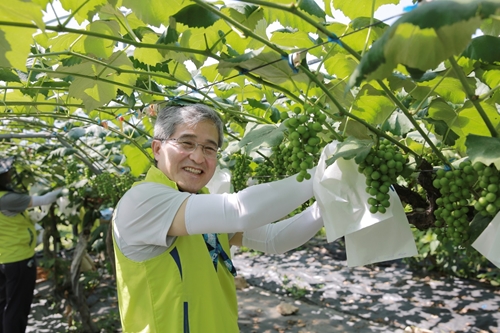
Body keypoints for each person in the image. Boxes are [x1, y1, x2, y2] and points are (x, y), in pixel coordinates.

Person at [112, 104, 325, 332]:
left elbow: (274, 239)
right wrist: (323, 174)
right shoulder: (142, 201)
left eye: (209, 148)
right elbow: (241, 210)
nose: (198, 157)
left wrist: (328, 204)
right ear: (157, 149)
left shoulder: (201, 206)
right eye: (186, 143)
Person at [0, 157, 62, 333]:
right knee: (17, 308)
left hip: (3, 258)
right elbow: (44, 200)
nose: (10, 174)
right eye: (6, 172)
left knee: (4, 304)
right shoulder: (7, 199)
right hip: (18, 258)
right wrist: (65, 191)